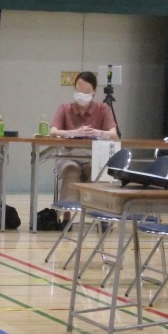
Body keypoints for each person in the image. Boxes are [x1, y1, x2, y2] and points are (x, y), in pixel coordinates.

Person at [49, 71, 117, 229]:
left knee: (97, 172)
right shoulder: (65, 108)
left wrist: (98, 133)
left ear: (94, 91)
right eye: (79, 90)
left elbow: (113, 134)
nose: (81, 95)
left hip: (93, 157)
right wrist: (74, 132)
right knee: (71, 170)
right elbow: (53, 131)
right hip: (69, 155)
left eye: (86, 92)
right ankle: (67, 216)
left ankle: (101, 216)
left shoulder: (103, 109)